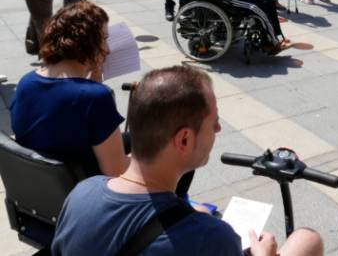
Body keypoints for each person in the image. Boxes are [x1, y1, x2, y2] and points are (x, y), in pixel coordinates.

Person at [51, 66, 324, 256]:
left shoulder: (80, 195)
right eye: (214, 122)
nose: (218, 129)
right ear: (183, 140)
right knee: (307, 239)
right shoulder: (211, 238)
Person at [10, 0, 128, 176]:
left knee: (134, 140)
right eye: (104, 39)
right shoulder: (95, 97)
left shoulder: (25, 83)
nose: (108, 50)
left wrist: (92, 85)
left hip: (41, 181)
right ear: (88, 43)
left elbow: (63, 127)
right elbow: (116, 171)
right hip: (84, 185)